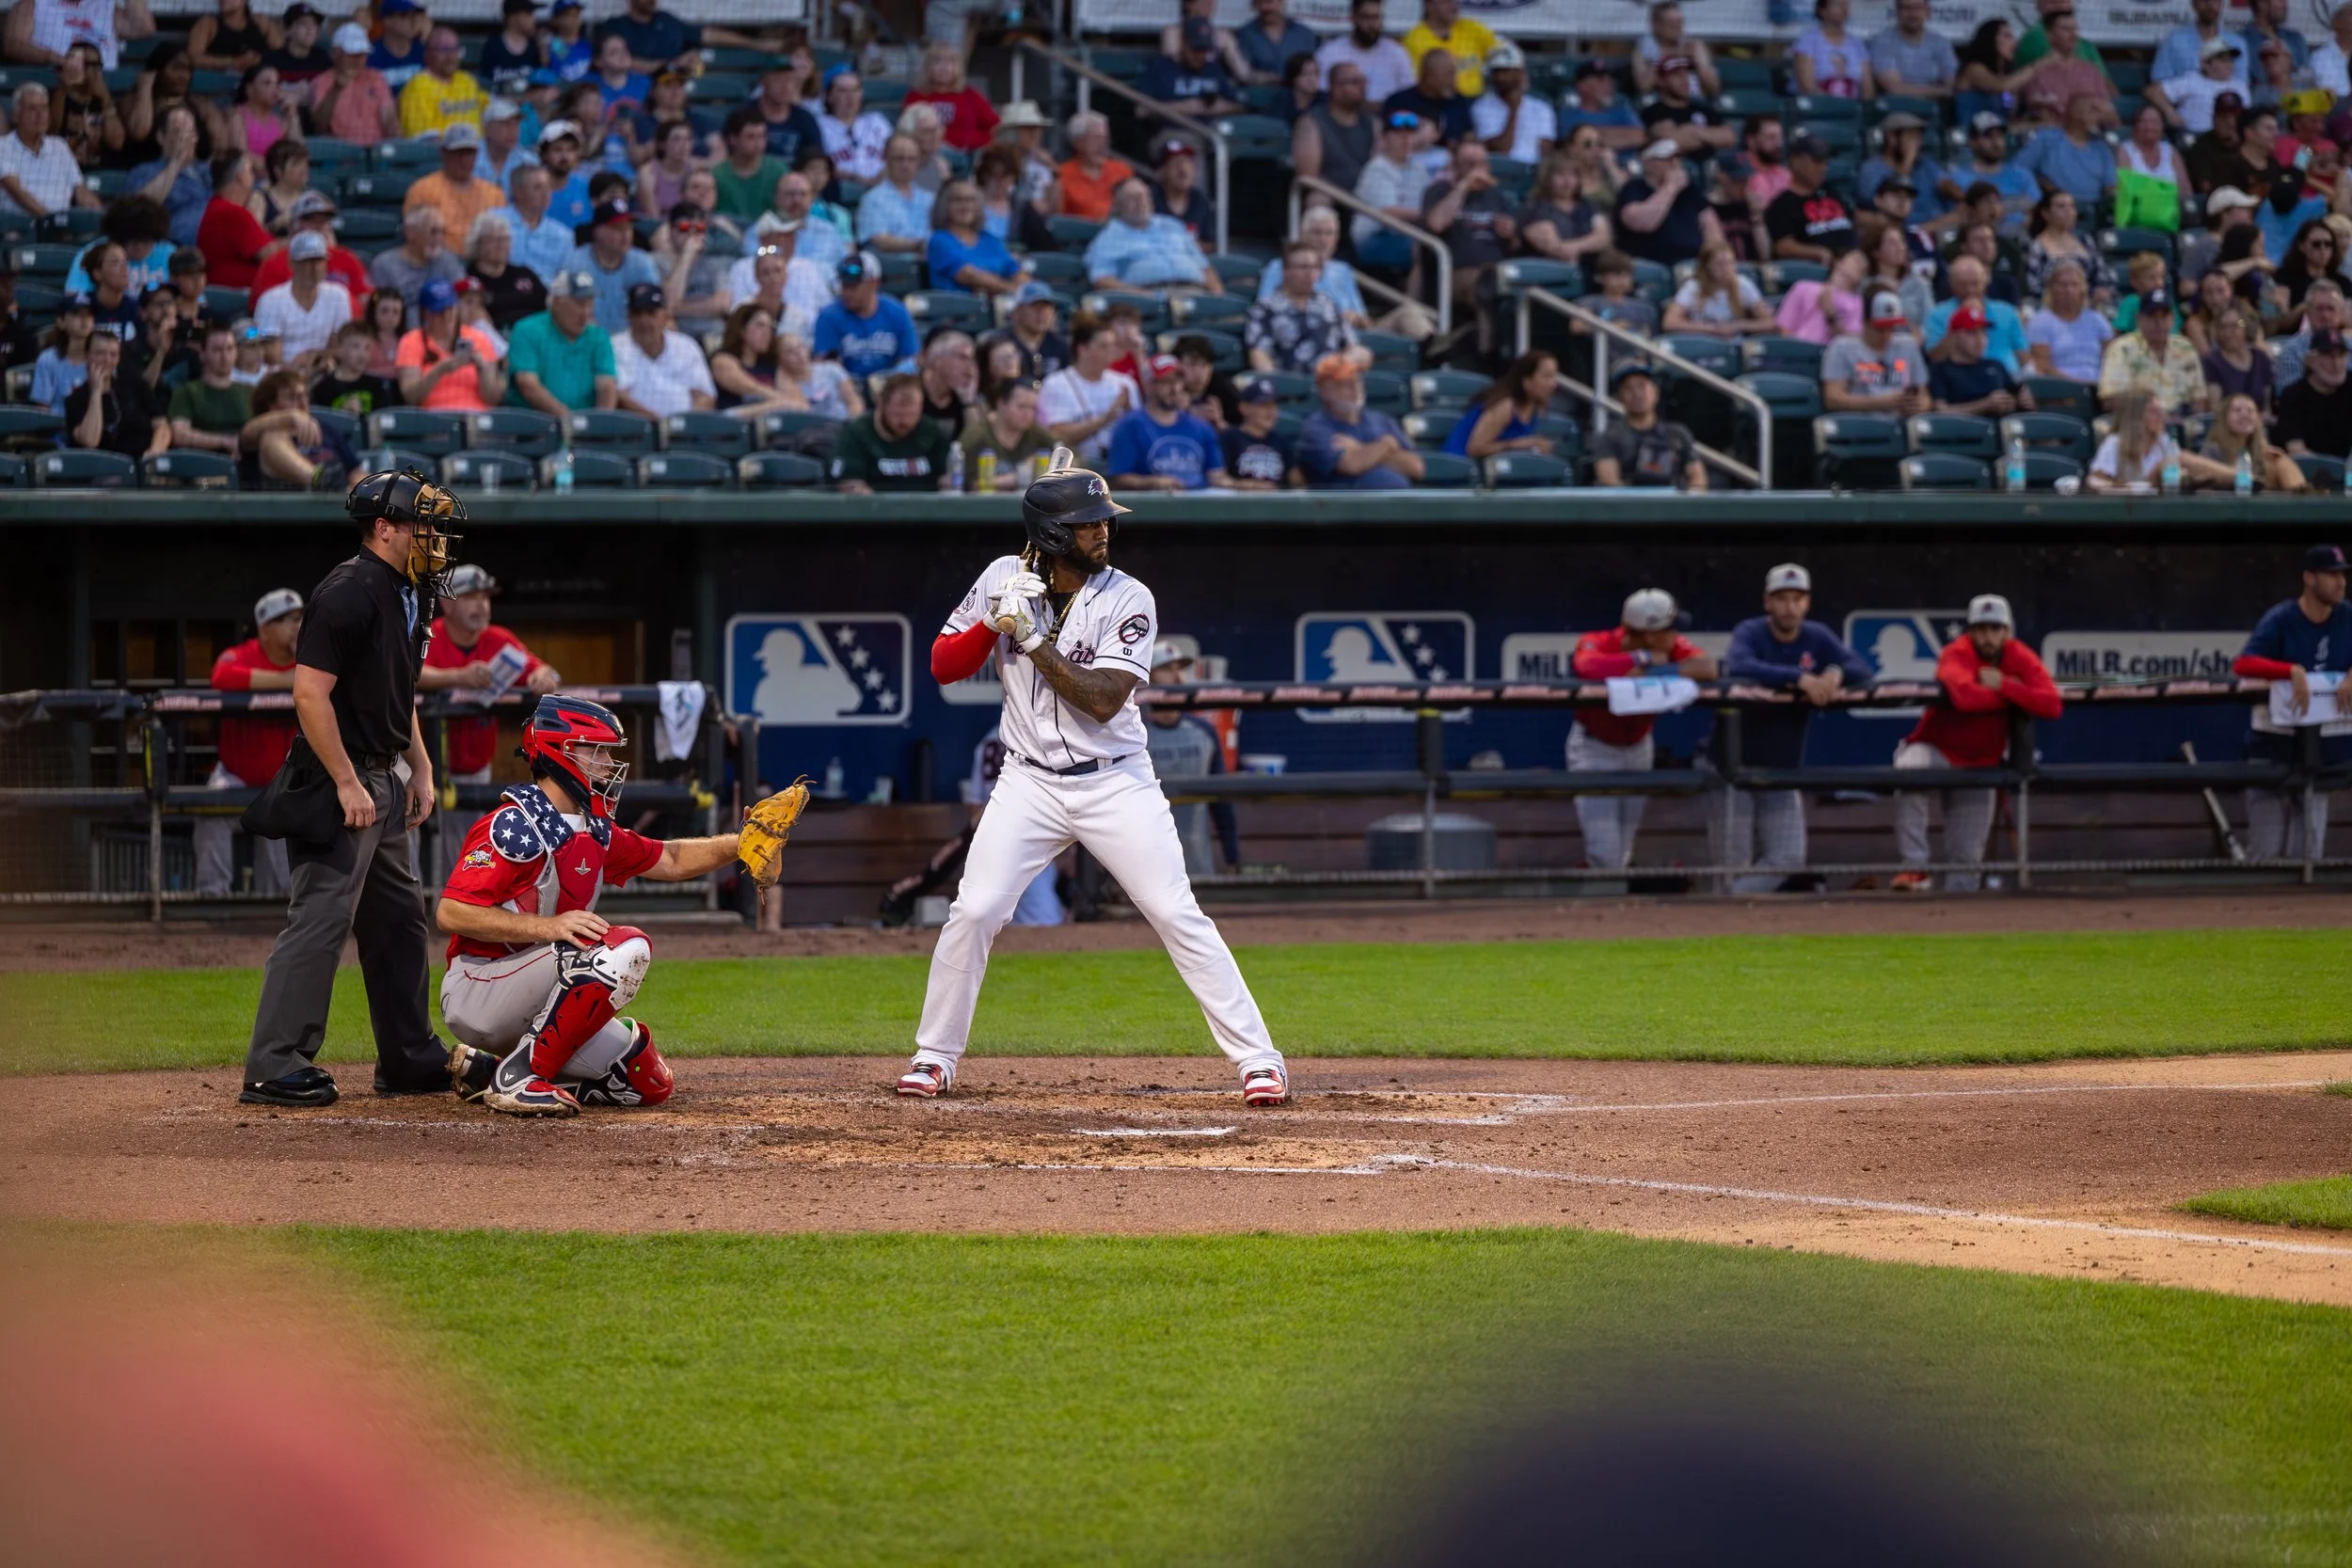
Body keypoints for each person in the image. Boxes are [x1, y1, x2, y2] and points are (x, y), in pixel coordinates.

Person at [903, 452, 1288, 1104]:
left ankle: (1258, 1058)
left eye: (1104, 521)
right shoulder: (1004, 575)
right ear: (1053, 535)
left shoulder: (1130, 596)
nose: (1103, 531)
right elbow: (943, 664)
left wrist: (1031, 641)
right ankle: (934, 1055)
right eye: (1087, 524)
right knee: (975, 909)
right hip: (1027, 783)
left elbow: (1105, 698)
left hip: (1116, 782)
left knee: (1174, 910)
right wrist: (992, 620)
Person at [236, 471, 457, 1106]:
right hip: (339, 774)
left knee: (398, 922)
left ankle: (410, 1058)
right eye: (423, 524)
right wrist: (345, 781)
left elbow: (400, 692)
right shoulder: (348, 589)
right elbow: (310, 694)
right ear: (383, 528)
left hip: (382, 774)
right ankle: (274, 1063)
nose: (434, 538)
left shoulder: (409, 592)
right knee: (321, 918)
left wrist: (420, 766)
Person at [438, 694, 756, 1117]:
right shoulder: (513, 822)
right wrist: (547, 928)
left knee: (647, 1081)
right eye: (597, 749)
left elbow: (673, 858)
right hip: (479, 988)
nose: (608, 763)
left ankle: (492, 1071)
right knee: (624, 948)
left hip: (536, 993)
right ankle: (518, 1079)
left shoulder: (594, 828)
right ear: (560, 751)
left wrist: (743, 844)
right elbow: (451, 912)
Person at [1890, 593, 2060, 893]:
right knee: (1907, 767)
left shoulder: (2019, 656)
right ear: (1971, 632)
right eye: (1981, 629)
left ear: (2007, 632)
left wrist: (2003, 684)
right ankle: (1916, 868)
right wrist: (2016, 693)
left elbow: (2051, 704)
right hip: (1936, 749)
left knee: (1966, 868)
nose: (1988, 636)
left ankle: (1951, 926)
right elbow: (1965, 697)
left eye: (1995, 629)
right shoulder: (1956, 652)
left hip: (1980, 762)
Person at [1718, 564, 1874, 894]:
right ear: (1767, 602)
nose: (1789, 606)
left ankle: (1729, 909)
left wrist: (1834, 673)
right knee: (1732, 865)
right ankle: (1724, 920)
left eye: (1797, 599)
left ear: (1807, 603)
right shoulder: (1751, 631)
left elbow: (1860, 668)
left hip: (1781, 768)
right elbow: (1739, 664)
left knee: (1788, 858)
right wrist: (1797, 677)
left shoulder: (1816, 636)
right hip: (1731, 766)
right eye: (1782, 598)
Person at [411, 562, 559, 885]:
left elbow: (545, 672)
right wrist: (459, 677)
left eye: (485, 597)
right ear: (448, 603)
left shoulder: (498, 639)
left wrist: (540, 676)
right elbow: (406, 672)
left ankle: (456, 907)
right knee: (408, 845)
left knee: (465, 847)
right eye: (471, 597)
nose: (482, 605)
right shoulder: (426, 634)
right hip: (418, 763)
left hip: (474, 764)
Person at [1565, 589, 1717, 871]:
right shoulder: (1598, 641)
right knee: (1605, 854)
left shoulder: (1670, 647)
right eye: (1668, 628)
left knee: (1622, 851)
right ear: (1648, 634)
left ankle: (1609, 913)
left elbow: (1707, 667)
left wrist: (1652, 673)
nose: (1675, 635)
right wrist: (1639, 659)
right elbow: (1586, 666)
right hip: (1594, 749)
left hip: (1638, 748)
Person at [2233, 545, 2352, 862]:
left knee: (2309, 856)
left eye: (2342, 575)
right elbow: (2243, 665)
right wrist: (2288, 670)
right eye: (2332, 575)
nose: (2341, 583)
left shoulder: (2347, 616)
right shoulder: (2282, 618)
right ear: (2309, 578)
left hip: (2322, 751)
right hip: (2274, 746)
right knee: (2266, 855)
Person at [194, 587, 304, 898]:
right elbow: (222, 677)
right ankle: (211, 899)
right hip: (235, 776)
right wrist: (291, 680)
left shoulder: (312, 657)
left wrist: (299, 676)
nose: (296, 625)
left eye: (299, 618)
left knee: (282, 866)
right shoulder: (241, 655)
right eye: (285, 620)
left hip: (284, 781)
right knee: (209, 810)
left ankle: (274, 909)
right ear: (264, 629)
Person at [1423, 138, 1515, 354]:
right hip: (1452, 274)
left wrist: (1510, 232)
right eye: (1469, 164)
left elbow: (1514, 243)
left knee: (1494, 282)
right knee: (1484, 282)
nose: (1477, 171)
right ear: (1456, 167)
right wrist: (1463, 186)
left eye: (1481, 164)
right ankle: (1488, 353)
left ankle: (1498, 351)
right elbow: (1436, 223)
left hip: (1494, 269)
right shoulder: (1439, 190)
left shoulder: (1496, 196)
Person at [1296, 350, 1421, 489]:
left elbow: (1416, 468)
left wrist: (1360, 449)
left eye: (1357, 381)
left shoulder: (1381, 420)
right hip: (1347, 507)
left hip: (1399, 503)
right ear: (1325, 391)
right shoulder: (1316, 427)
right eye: (1345, 384)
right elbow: (1351, 465)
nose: (1355, 389)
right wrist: (1387, 445)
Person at [506, 266, 618, 414]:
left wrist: (601, 424)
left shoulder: (598, 336)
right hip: (536, 424)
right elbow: (528, 385)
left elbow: (607, 385)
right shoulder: (527, 330)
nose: (586, 312)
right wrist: (570, 421)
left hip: (587, 427)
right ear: (558, 302)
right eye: (580, 304)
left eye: (590, 304)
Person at [1038, 311, 1141, 465]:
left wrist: (1130, 413)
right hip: (1074, 466)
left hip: (1120, 465)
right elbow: (1056, 435)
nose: (1111, 351)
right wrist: (1105, 419)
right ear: (1083, 349)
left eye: (1113, 345)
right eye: (1103, 346)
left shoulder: (1125, 383)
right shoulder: (1056, 384)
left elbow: (1139, 434)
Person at [1085, 178, 1218, 293]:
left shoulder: (1173, 225)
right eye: (1133, 198)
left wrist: (1218, 299)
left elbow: (1204, 267)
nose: (1142, 201)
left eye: (1146, 196)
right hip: (1150, 297)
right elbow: (1101, 279)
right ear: (1117, 205)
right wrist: (1142, 296)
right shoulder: (1109, 237)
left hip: (1195, 292)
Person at [394, 276, 503, 413]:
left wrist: (483, 369)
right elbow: (411, 397)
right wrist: (440, 370)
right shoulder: (412, 341)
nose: (447, 317)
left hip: (476, 416)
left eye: (450, 309)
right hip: (434, 418)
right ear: (426, 314)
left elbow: (493, 398)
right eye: (439, 312)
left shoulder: (478, 338)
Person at [1246, 239, 1354, 374]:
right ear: (1286, 270)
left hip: (1329, 382)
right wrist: (1276, 383)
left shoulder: (1328, 304)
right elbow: (1258, 352)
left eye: (1314, 267)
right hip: (1286, 382)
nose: (1309, 273)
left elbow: (1350, 345)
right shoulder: (1265, 307)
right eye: (1303, 267)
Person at [831, 371, 950, 493]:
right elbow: (849, 482)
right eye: (898, 414)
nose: (904, 421)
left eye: (912, 415)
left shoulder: (932, 432)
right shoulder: (857, 433)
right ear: (882, 405)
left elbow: (948, 476)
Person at [1590, 362, 1704, 489]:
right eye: (1628, 388)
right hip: (1630, 505)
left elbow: (1697, 478)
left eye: (1642, 386)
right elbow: (1609, 482)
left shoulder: (1678, 433)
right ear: (1619, 397)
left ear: (1656, 393)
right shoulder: (1610, 437)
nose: (1637, 394)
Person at [2098, 287, 2207, 416]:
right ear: (2139, 319)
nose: (2159, 323)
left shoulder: (2185, 348)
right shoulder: (2122, 348)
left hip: (2181, 425)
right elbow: (2108, 400)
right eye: (2152, 316)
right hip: (2136, 422)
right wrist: (2145, 405)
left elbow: (2198, 399)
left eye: (2164, 316)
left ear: (2172, 319)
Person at [64, 325, 169, 459]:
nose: (107, 360)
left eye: (113, 354)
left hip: (144, 461)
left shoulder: (136, 386)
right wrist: (96, 392)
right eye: (100, 353)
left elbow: (162, 426)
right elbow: (90, 441)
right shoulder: (75, 399)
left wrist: (155, 450)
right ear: (87, 356)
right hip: (104, 469)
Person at [610, 282, 713, 419]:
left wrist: (682, 425)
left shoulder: (686, 346)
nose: (644, 320)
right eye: (637, 314)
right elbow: (619, 397)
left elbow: (705, 397)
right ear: (628, 317)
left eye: (651, 313)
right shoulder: (615, 346)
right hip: (636, 431)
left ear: (665, 316)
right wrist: (658, 425)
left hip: (684, 433)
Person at [1613, 138, 1720, 268]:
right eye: (1668, 159)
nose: (1675, 164)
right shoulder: (1633, 189)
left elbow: (1713, 233)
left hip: (1691, 263)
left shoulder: (1690, 192)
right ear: (1648, 163)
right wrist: (1670, 187)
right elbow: (1643, 223)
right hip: (1650, 262)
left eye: (1677, 158)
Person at [813, 250, 918, 381]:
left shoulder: (897, 313)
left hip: (889, 388)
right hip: (847, 392)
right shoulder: (829, 317)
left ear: (874, 283)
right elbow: (828, 372)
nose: (846, 292)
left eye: (852, 287)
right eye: (844, 285)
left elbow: (909, 361)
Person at [1440, 349, 1560, 464]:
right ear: (1526, 381)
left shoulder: (1534, 408)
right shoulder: (1505, 406)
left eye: (1554, 377)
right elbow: (1475, 448)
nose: (1553, 384)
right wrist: (1520, 444)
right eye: (1547, 377)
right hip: (1459, 465)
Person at [253, 229, 350, 367]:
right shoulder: (271, 300)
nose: (314, 268)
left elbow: (340, 346)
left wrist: (315, 357)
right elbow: (270, 355)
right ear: (292, 264)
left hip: (322, 369)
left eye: (319, 261)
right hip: (280, 374)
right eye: (307, 262)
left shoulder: (338, 295)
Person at [565, 196, 661, 336]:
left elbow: (655, 308)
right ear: (598, 231)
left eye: (628, 227)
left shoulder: (641, 262)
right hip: (588, 339)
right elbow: (572, 311)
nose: (625, 235)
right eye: (617, 228)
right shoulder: (576, 261)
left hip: (633, 342)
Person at [0, 82, 99, 216]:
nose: (40, 115)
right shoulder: (3, 146)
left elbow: (81, 192)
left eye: (44, 108)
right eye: (32, 109)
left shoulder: (60, 146)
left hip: (62, 227)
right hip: (20, 229)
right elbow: (18, 193)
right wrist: (51, 221)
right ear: (16, 115)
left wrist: (103, 218)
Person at [1822, 291, 1930, 414]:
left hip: (1900, 423)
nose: (1886, 335)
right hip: (1860, 424)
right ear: (1865, 323)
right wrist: (1880, 402)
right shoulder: (1842, 346)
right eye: (1879, 329)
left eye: (1891, 328)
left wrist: (1920, 406)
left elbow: (1925, 397)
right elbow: (1832, 399)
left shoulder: (1907, 345)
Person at [1924, 255, 2027, 375]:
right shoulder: (1937, 314)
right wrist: (1960, 321)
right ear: (1951, 284)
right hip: (1961, 381)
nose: (1970, 290)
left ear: (1985, 281)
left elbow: (2023, 355)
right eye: (1962, 285)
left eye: (1975, 284)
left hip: (2007, 378)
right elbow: (1935, 358)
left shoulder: (2007, 311)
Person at [1763, 135, 1854, 265]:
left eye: (1825, 162)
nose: (1823, 168)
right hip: (1818, 271)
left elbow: (1853, 220)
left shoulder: (1831, 192)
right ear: (1795, 161)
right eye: (1816, 162)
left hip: (1853, 262)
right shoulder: (1782, 204)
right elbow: (1783, 246)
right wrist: (1816, 252)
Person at [167, 319, 252, 455]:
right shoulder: (187, 391)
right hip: (206, 472)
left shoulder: (249, 391)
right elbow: (180, 435)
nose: (225, 357)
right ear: (203, 353)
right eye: (217, 350)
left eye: (230, 349)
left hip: (247, 465)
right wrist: (224, 441)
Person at [1928, 305, 2029, 417]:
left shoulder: (1995, 366)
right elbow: (1940, 410)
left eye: (1984, 332)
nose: (1980, 339)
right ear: (1954, 336)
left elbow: (2016, 397)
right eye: (1972, 333)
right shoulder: (1940, 370)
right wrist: (1984, 405)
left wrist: (2021, 401)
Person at [927, 179, 1024, 297]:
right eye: (958, 200)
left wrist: (1026, 289)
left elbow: (1015, 270)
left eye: (971, 200)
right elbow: (968, 275)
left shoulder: (990, 240)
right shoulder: (939, 241)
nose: (965, 206)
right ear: (945, 206)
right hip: (960, 311)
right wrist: (1009, 289)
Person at [2017, 92, 2116, 207]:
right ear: (2075, 114)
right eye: (2092, 111)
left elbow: (2111, 186)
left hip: (2094, 212)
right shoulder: (2047, 138)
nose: (2098, 118)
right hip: (2055, 207)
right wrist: (2041, 182)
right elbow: (2018, 169)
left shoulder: (2102, 149)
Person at [309, 21, 399, 146]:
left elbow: (388, 117)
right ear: (336, 53)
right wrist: (336, 90)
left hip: (375, 151)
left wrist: (394, 130)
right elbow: (320, 124)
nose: (358, 60)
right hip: (339, 154)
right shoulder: (322, 82)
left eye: (362, 54)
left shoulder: (375, 77)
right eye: (352, 54)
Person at [1516, 148, 1610, 265]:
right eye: (1560, 175)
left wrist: (1575, 247)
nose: (1567, 181)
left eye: (1573, 175)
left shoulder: (1588, 205)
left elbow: (1603, 237)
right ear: (1547, 178)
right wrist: (1585, 244)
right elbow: (1554, 247)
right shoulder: (1535, 207)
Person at [2025, 259, 2113, 383]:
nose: (2069, 290)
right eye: (2062, 285)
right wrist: (2078, 385)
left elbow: (2112, 357)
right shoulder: (2040, 321)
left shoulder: (2096, 319)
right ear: (2052, 289)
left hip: (2099, 385)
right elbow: (2042, 366)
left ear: (2083, 289)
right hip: (2061, 387)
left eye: (2074, 285)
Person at [371, 204, 464, 320]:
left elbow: (462, 300)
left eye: (442, 232)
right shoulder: (385, 264)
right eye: (433, 232)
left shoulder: (448, 261)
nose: (439, 238)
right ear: (411, 233)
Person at [2021, 189, 2113, 306]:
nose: (2069, 211)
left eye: (2072, 206)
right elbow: (2033, 285)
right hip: (2051, 306)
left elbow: (2102, 274)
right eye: (2061, 207)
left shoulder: (2085, 241)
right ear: (2046, 213)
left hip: (2090, 304)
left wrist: (2098, 294)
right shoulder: (2036, 247)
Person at [960, 376, 1055, 487]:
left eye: (1032, 408)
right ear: (1001, 404)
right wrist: (1018, 477)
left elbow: (1071, 458)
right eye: (1021, 407)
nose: (1027, 414)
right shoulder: (977, 435)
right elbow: (967, 482)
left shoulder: (1036, 432)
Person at [1316, 0, 1414, 107]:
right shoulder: (1330, 52)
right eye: (1366, 17)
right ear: (1353, 18)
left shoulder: (1397, 53)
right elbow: (1322, 95)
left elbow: (1408, 95)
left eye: (1376, 18)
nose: (1372, 24)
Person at [2201, 390, 2304, 489]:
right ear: (2224, 418)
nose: (2245, 415)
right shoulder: (2213, 450)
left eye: (2250, 410)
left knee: (2282, 461)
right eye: (2237, 410)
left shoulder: (2269, 456)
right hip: (2225, 504)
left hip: (2262, 504)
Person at [1639, 54, 1734, 161]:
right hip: (1677, 166)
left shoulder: (1702, 108)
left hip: (1710, 166)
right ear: (1661, 81)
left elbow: (1729, 137)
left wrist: (1694, 131)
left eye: (1686, 74)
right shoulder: (1653, 112)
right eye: (1677, 75)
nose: (1684, 80)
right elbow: (1670, 141)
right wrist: (1709, 137)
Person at [2275, 327, 2352, 457]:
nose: (2336, 364)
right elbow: (2297, 450)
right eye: (2328, 356)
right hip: (2310, 472)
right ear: (2311, 361)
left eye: (2341, 356)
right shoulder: (2293, 396)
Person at [1144, 16, 1242, 117]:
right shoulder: (1161, 68)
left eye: (1205, 50)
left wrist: (1219, 108)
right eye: (1197, 49)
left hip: (1212, 128)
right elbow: (1141, 110)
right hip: (1174, 129)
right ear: (1184, 43)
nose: (1201, 55)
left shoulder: (1213, 70)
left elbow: (1238, 105)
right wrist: (1183, 107)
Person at [466, 211, 546, 331]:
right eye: (494, 240)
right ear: (477, 243)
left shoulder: (524, 273)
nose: (501, 245)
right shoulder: (468, 279)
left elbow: (549, 305)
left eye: (505, 239)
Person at [1472, 42, 1552, 164]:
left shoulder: (1541, 108)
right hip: (1501, 170)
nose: (1501, 77)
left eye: (1506, 71)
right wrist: (1513, 110)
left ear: (1520, 73)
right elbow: (1502, 150)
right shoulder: (1482, 107)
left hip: (1533, 171)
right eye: (1497, 71)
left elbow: (1545, 152)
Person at [856, 133, 933, 254]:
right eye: (899, 158)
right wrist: (918, 245)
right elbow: (879, 239)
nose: (905, 165)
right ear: (887, 160)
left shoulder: (929, 199)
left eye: (911, 159)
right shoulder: (873, 199)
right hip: (894, 265)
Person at [2154, 36, 2246, 135]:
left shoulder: (2240, 86)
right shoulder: (2192, 80)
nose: (2229, 64)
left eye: (2230, 60)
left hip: (2230, 137)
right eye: (2223, 60)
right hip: (2194, 137)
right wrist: (2170, 113)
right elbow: (2153, 91)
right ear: (2206, 64)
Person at [1387, 46, 1472, 150]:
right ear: (1428, 76)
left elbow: (1469, 135)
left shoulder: (1458, 101)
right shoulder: (1399, 102)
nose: (1453, 80)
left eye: (1454, 73)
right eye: (1448, 74)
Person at [1056, 111, 1135, 224]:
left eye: (1105, 139)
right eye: (1095, 139)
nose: (1102, 145)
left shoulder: (1122, 171)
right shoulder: (1062, 174)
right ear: (1078, 143)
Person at [311, 318, 401, 417]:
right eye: (355, 347)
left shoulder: (376, 386)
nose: (362, 355)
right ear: (341, 349)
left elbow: (383, 421)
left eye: (367, 348)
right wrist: (342, 414)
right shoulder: (324, 387)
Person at [818, 67, 893, 183]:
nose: (850, 96)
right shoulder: (819, 125)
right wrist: (855, 178)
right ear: (829, 96)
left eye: (855, 90)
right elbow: (816, 166)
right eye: (843, 91)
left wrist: (884, 174)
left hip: (882, 188)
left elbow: (898, 153)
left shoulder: (877, 121)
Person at [1869, 0, 1957, 99]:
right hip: (1898, 108)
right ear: (1897, 12)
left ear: (1927, 11)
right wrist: (1940, 91)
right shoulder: (1883, 41)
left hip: (1936, 107)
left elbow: (1951, 83)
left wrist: (1943, 91)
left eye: (1918, 8)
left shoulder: (1941, 42)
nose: (1913, 14)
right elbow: (1895, 89)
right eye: (1907, 8)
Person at [1631, 0, 1720, 97]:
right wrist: (1667, 58)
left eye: (1679, 22)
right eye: (1671, 23)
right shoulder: (1644, 50)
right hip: (1662, 103)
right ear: (1656, 25)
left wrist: (1698, 64)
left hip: (1694, 101)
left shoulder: (1693, 46)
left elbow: (1714, 88)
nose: (1677, 27)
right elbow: (1644, 87)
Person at [1219, 376, 1295, 487]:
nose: (1271, 411)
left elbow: (1296, 482)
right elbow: (1218, 478)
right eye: (1264, 405)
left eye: (1274, 405)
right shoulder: (1229, 438)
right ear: (1244, 408)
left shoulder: (1280, 441)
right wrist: (1240, 485)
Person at [1791, 0, 1873, 100]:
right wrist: (1835, 106)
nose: (1843, 8)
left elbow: (1868, 88)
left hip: (1853, 109)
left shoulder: (1857, 44)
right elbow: (1807, 87)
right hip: (1820, 108)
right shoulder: (1807, 41)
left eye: (1845, 4)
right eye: (1837, 5)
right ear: (1823, 11)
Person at [1559, 57, 1643, 152]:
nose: (1609, 84)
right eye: (1601, 80)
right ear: (1582, 86)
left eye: (1610, 79)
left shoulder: (1623, 111)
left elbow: (1639, 137)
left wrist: (1593, 135)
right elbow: (1575, 143)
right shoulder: (1568, 114)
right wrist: (1622, 136)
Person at [29, 290, 92, 412]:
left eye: (89, 315)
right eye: (76, 314)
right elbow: (42, 409)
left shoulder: (99, 357)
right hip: (58, 428)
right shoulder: (48, 359)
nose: (84, 320)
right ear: (61, 322)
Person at [1235, 0, 1318, 86]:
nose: (1265, 8)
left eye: (1269, 2)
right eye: (1259, 3)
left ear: (1281, 2)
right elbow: (1244, 73)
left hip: (1297, 94)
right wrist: (1270, 79)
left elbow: (1313, 71)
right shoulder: (1245, 34)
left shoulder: (1303, 34)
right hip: (1261, 95)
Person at [1151, 140, 1214, 241]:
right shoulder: (1148, 199)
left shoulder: (1200, 201)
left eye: (1187, 162)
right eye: (1175, 163)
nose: (1183, 169)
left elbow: (1210, 243)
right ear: (1162, 171)